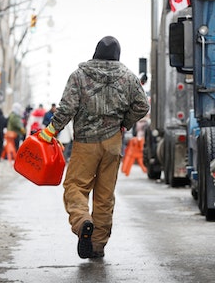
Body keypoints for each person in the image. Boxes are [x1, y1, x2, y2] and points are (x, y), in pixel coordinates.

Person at [38, 36, 149, 259]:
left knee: (75, 187)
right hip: (112, 144)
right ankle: (97, 245)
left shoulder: (79, 75)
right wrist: (124, 123)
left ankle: (82, 223)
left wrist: (50, 131)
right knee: (105, 196)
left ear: (96, 52)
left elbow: (67, 108)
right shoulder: (128, 77)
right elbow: (142, 105)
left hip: (85, 143)